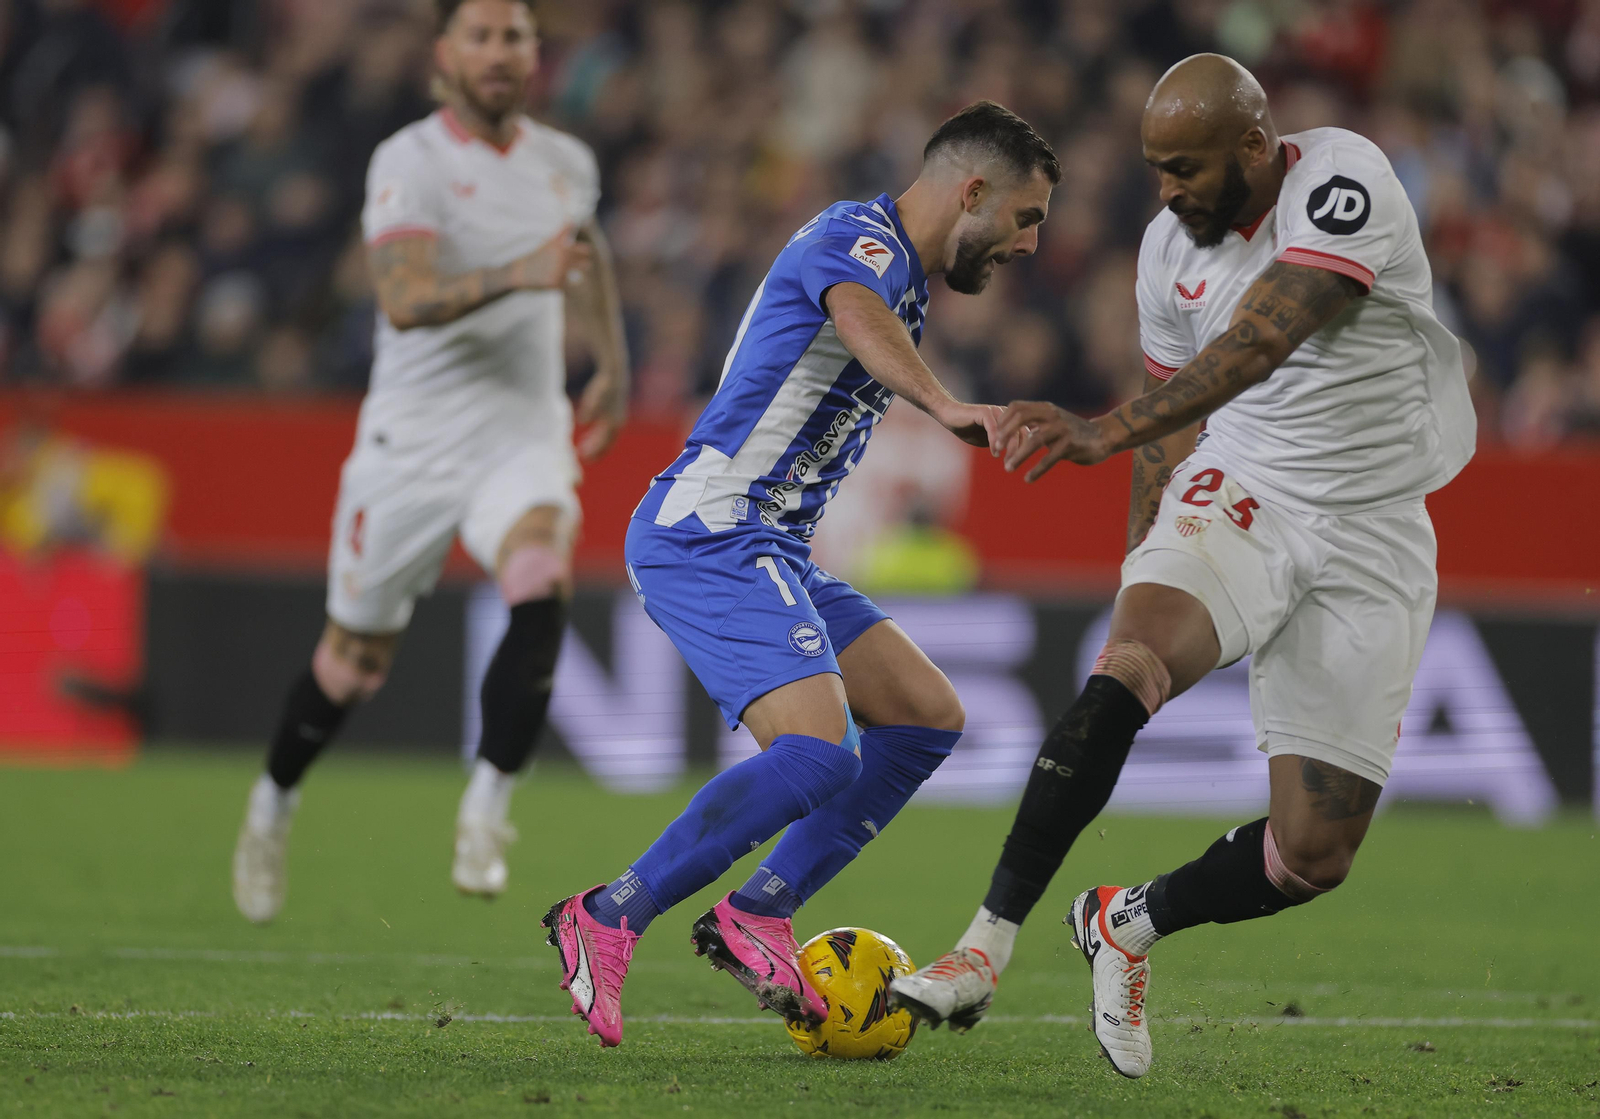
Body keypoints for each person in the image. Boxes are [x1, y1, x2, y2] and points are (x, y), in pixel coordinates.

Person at [889, 54, 1475, 1079]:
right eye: (1158, 168)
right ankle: (982, 947)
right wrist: (1147, 553)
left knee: (1311, 856)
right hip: (1245, 487)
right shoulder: (1165, 250)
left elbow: (1261, 340)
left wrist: (1097, 431)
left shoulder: (1344, 180)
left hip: (1374, 528)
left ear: (1254, 147)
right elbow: (1181, 419)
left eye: (1187, 169)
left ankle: (1126, 922)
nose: (1167, 191)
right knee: (1131, 664)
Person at [541, 101, 1059, 1048]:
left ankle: (759, 910)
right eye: (1026, 217)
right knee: (821, 753)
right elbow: (853, 315)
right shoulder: (857, 240)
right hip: (711, 529)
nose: (1031, 243)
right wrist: (943, 404)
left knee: (925, 715)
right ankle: (609, 913)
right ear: (972, 190)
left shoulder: (908, 282)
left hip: (769, 541)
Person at [231, 0, 627, 923]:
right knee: (353, 663)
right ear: (446, 54)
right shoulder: (410, 161)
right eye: (480, 36)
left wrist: (610, 362)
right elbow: (404, 298)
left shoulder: (566, 163)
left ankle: (488, 807)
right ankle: (271, 802)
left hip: (520, 431)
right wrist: (515, 276)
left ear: (536, 54)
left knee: (542, 574)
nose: (499, 52)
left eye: (514, 36)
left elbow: (585, 254)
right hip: (409, 442)